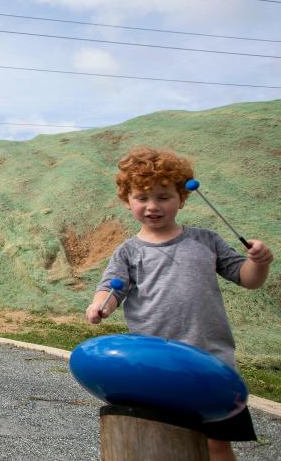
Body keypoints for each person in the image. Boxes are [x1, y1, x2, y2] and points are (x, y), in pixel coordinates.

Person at [85, 147, 273, 460]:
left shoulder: (206, 240)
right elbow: (111, 289)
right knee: (155, 437)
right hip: (153, 364)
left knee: (215, 444)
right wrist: (100, 306)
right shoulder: (128, 251)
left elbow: (247, 277)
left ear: (182, 198)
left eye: (163, 196)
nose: (152, 206)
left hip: (210, 360)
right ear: (127, 200)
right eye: (141, 198)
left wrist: (260, 262)